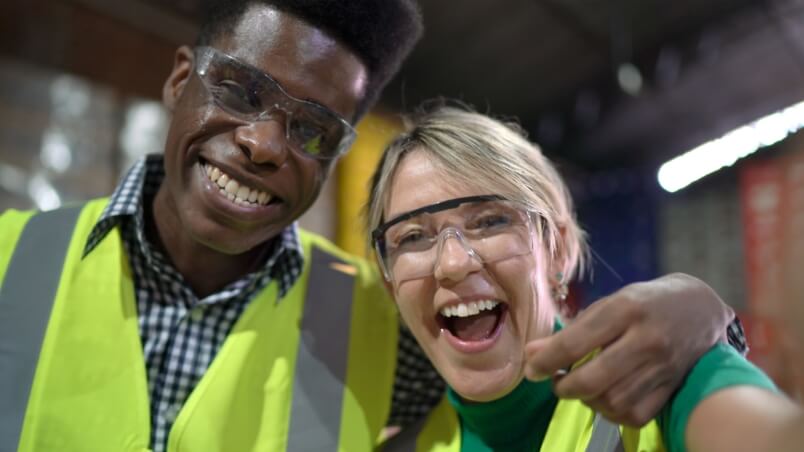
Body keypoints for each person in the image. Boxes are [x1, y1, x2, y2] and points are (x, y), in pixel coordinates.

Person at [0, 1, 749, 451]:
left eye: (312, 127)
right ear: (177, 79)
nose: (263, 143)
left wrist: (705, 316)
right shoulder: (9, 260)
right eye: (239, 87)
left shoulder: (383, 323)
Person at [366, 103, 801, 452]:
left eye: (490, 221)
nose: (453, 263)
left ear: (556, 249)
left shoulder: (665, 375)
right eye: (413, 237)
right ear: (390, 285)